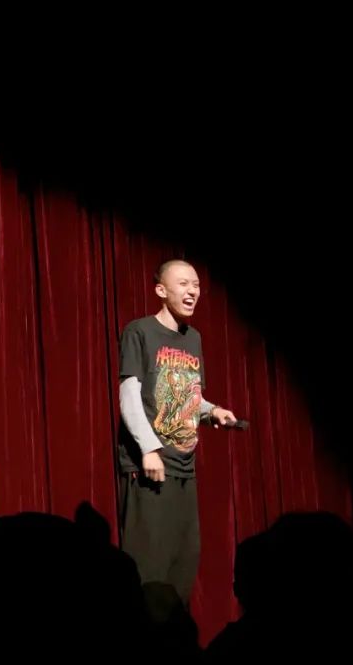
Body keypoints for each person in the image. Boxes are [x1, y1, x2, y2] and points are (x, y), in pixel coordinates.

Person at [117, 258, 237, 604]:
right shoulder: (139, 331)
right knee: (149, 567)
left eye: (196, 285)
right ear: (161, 290)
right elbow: (129, 395)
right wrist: (149, 448)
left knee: (183, 562)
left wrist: (212, 411)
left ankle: (175, 631)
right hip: (151, 467)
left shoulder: (192, 338)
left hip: (185, 467)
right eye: (183, 283)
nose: (192, 291)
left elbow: (187, 395)